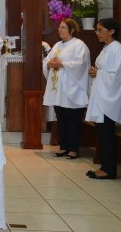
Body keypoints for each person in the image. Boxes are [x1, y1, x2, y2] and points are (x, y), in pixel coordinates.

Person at [85, 18, 121, 180]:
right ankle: (105, 167)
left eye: (100, 30)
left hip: (109, 99)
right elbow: (104, 71)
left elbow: (117, 76)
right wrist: (95, 72)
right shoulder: (107, 48)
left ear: (111, 31)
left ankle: (109, 170)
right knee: (102, 134)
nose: (97, 33)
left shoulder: (117, 49)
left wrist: (98, 73)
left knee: (106, 134)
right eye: (97, 30)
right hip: (103, 97)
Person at [42, 18, 90, 160]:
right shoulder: (57, 45)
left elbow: (81, 64)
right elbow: (47, 61)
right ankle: (63, 147)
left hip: (73, 90)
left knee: (73, 120)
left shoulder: (79, 45)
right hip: (58, 90)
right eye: (60, 27)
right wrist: (49, 64)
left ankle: (73, 150)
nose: (60, 29)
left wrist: (62, 64)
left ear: (72, 30)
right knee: (61, 119)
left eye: (63, 27)